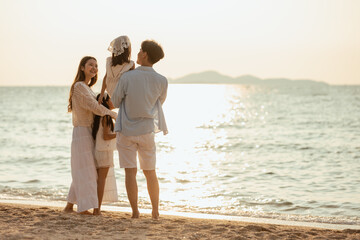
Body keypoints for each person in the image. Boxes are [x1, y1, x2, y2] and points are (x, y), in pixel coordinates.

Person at [112, 40, 168, 220]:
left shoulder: (127, 77)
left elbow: (115, 101)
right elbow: (160, 102)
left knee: (130, 172)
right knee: (150, 172)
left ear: (144, 54)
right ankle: (155, 211)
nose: (137, 53)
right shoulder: (162, 80)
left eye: (140, 50)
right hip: (147, 130)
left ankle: (135, 211)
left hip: (127, 130)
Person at [64, 56, 117, 214]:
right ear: (82, 67)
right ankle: (83, 208)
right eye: (90, 65)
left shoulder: (87, 87)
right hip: (82, 131)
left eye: (96, 66)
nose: (94, 68)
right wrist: (115, 116)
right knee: (87, 171)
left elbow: (96, 105)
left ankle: (69, 206)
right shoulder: (79, 86)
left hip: (88, 132)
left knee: (84, 169)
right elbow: (94, 107)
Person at [92, 93, 119, 215]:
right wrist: (120, 134)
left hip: (98, 149)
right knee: (101, 180)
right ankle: (97, 209)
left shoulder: (98, 116)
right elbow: (106, 136)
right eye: (111, 99)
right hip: (104, 151)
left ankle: (96, 208)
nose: (113, 101)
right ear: (105, 102)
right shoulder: (107, 116)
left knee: (99, 180)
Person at [98, 35, 135, 104]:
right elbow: (105, 77)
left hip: (122, 94)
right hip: (115, 93)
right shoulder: (109, 61)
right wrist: (101, 94)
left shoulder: (130, 64)